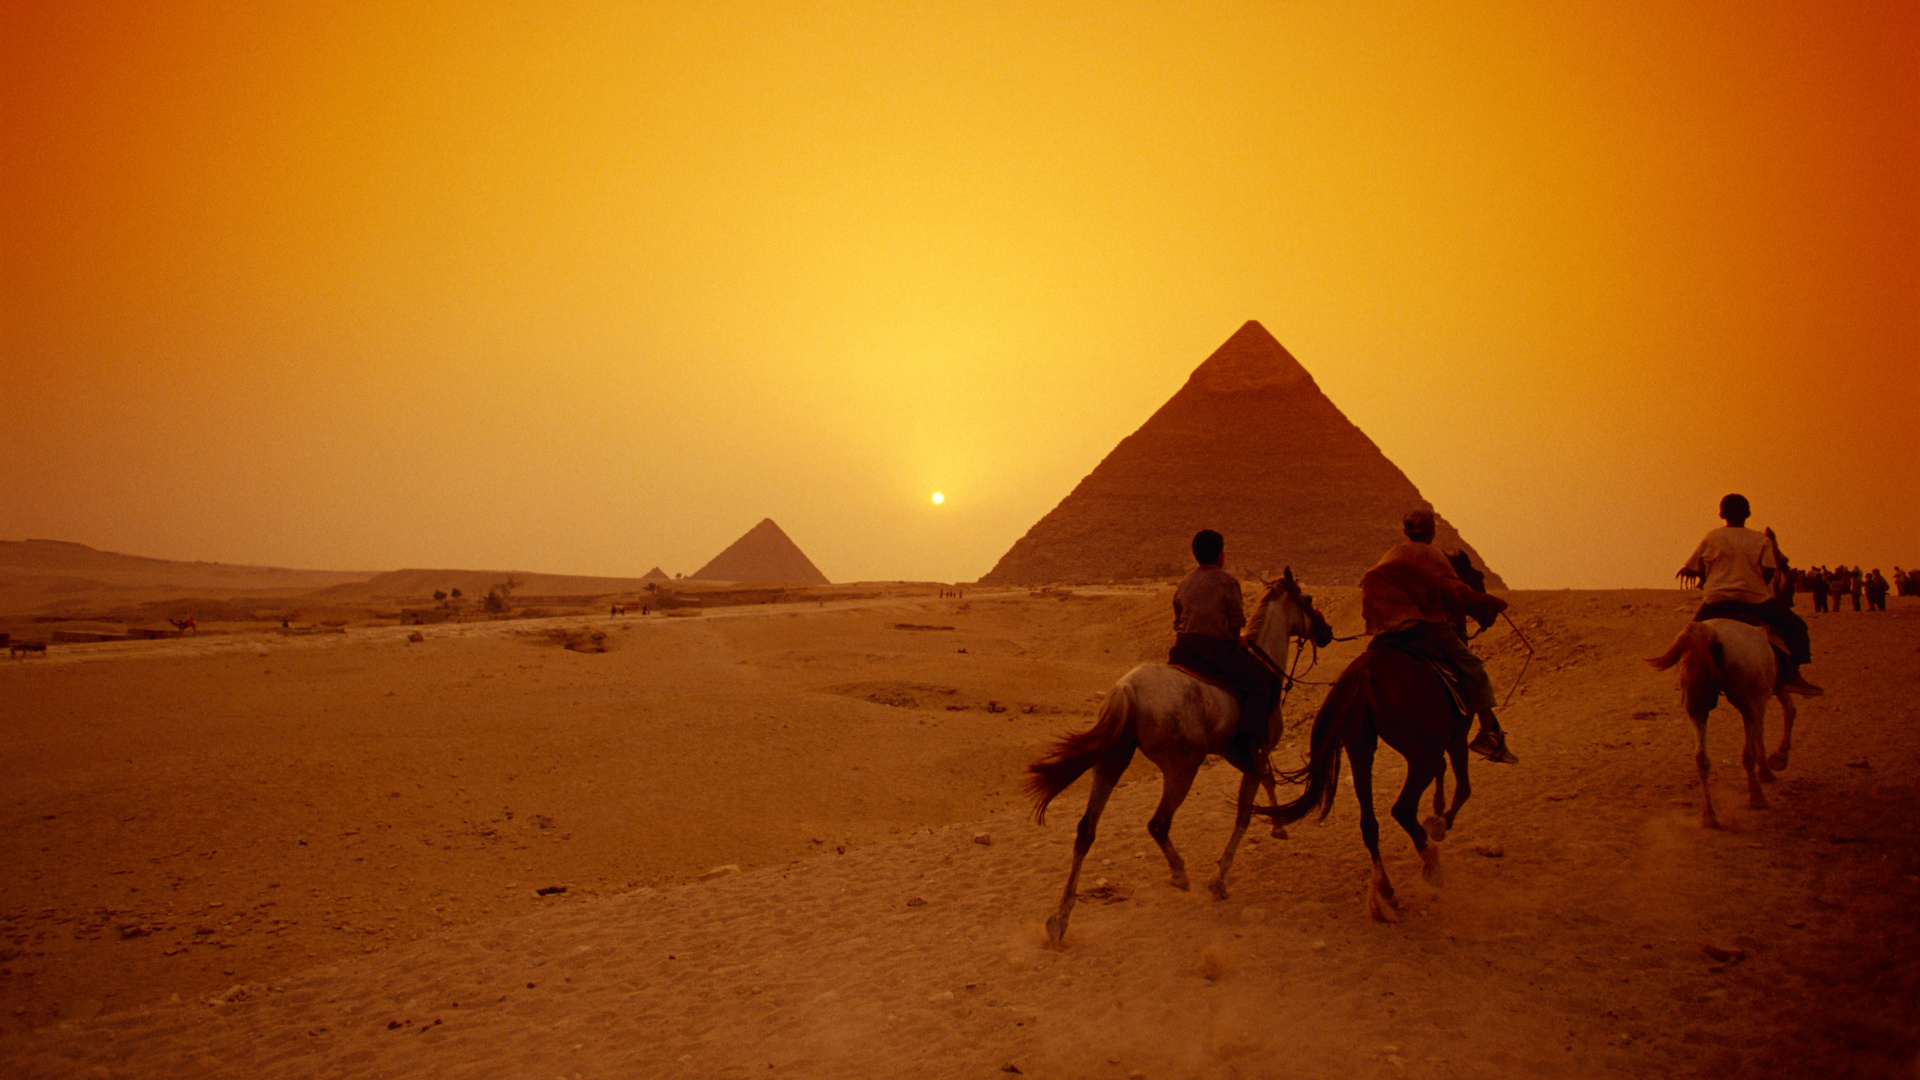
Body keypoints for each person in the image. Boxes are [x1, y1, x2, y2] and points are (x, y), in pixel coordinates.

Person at [1360, 509, 1517, 763]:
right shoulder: (1431, 554)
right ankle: (1490, 734)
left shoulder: (1394, 553)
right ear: (1432, 531)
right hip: (1423, 624)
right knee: (1474, 666)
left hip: (1388, 626)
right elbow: (1459, 593)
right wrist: (1493, 600)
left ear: (1405, 532)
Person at [1679, 494, 1822, 695]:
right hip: (1753, 599)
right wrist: (1757, 583)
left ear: (1721, 514)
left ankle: (1688, 676)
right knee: (1797, 626)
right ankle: (1792, 676)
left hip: (1716, 600)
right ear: (1748, 513)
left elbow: (1694, 567)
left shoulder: (1712, 537)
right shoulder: (1760, 539)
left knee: (1690, 639)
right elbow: (1770, 569)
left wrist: (1697, 572)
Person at [1168, 530, 1281, 776]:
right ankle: (1242, 745)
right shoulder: (1228, 582)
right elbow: (1235, 624)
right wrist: (1235, 639)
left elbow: (1177, 618)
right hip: (1217, 649)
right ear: (1220, 555)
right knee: (1264, 685)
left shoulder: (1185, 582)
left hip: (1185, 647)